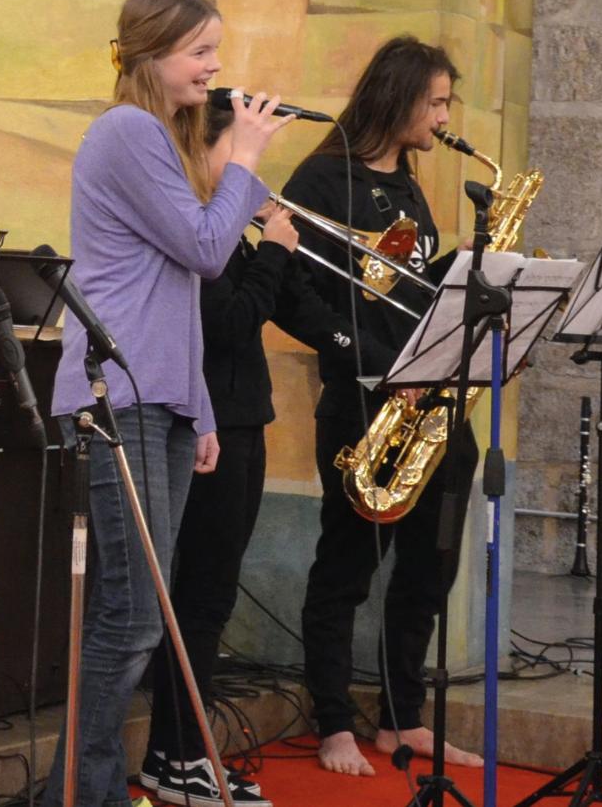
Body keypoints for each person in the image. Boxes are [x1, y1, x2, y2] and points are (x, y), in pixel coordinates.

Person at [39, 0, 290, 807]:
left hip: (161, 396)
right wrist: (246, 154)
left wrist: (201, 409)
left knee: (140, 609)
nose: (216, 68)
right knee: (134, 613)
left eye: (217, 51)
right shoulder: (127, 131)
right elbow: (211, 251)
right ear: (150, 55)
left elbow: (174, 285)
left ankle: (78, 788)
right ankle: (86, 793)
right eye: (201, 53)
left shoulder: (164, 138)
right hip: (119, 395)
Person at [139, 116, 366, 806]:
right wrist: (271, 249)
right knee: (201, 599)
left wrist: (365, 353)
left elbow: (291, 308)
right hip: (205, 429)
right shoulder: (191, 239)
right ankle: (174, 757)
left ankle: (185, 753)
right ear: (199, 157)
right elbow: (230, 322)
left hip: (246, 423)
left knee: (215, 593)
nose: (249, 168)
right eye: (235, 152)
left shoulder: (230, 237)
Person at [285, 36, 480, 777]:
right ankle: (333, 721)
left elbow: (399, 281)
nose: (442, 117)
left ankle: (403, 720)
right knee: (346, 566)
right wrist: (355, 349)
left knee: (430, 569)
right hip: (365, 402)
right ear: (397, 98)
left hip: (433, 403)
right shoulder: (320, 178)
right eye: (435, 102)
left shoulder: (406, 180)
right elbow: (290, 287)